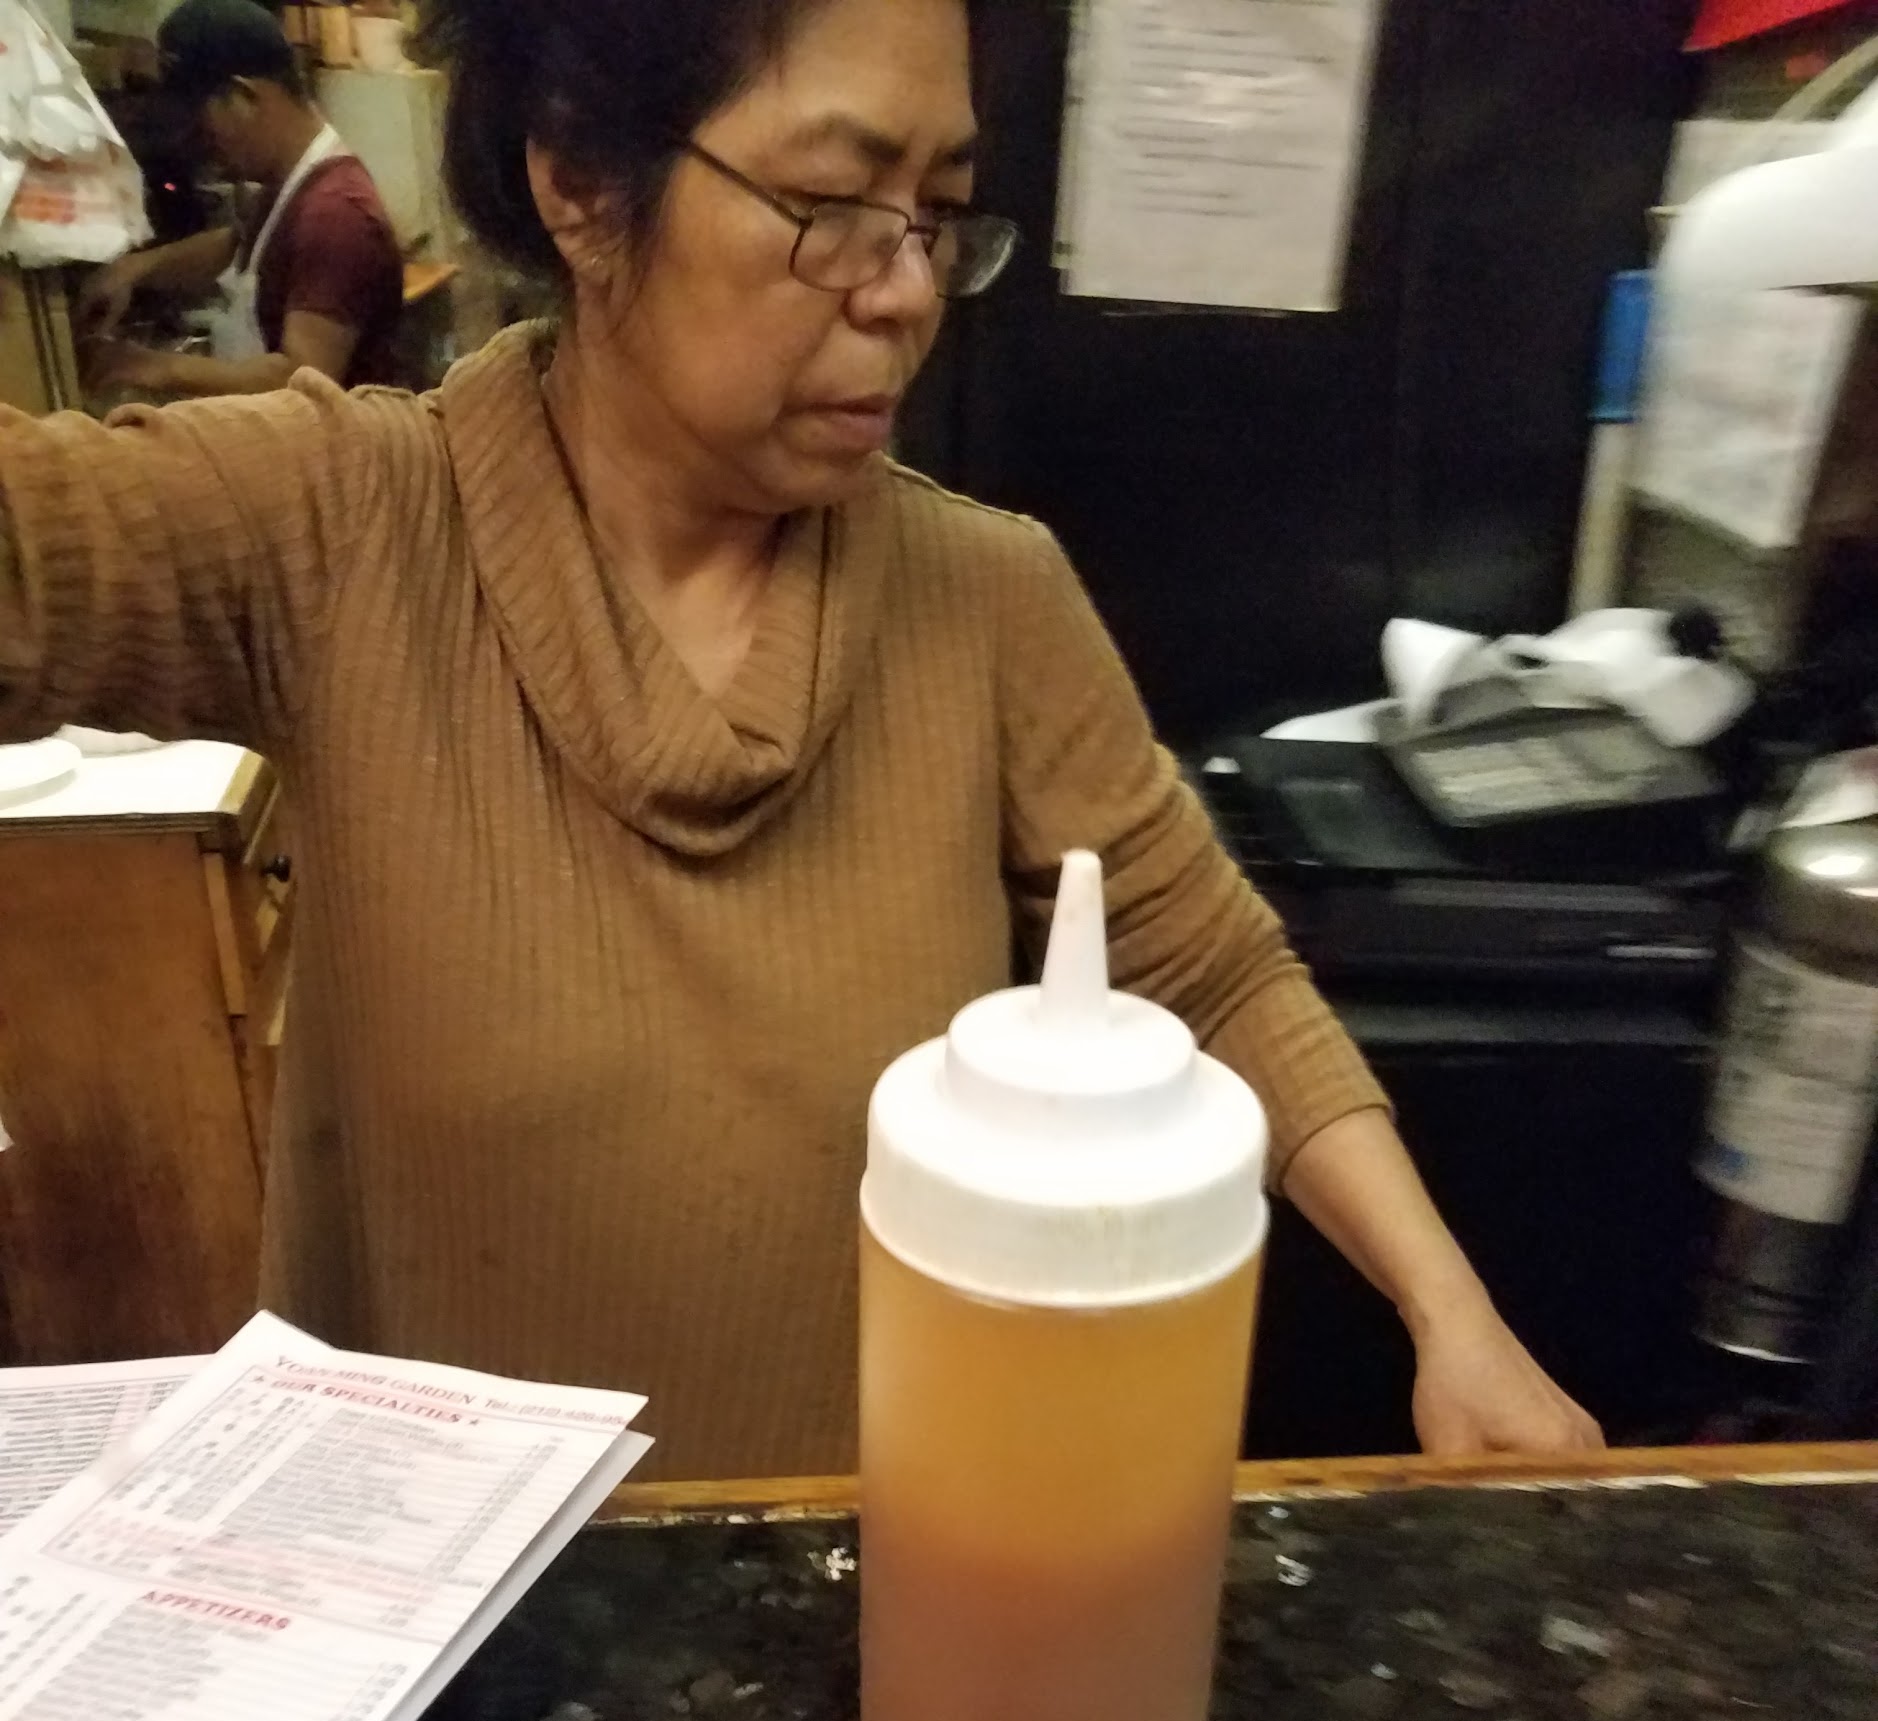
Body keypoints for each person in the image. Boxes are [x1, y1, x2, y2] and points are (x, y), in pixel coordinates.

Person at [0, 0, 1602, 1478]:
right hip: (454, 1615)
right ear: (582, 184)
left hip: (880, 1579)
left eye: (936, 212)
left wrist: (1449, 1317)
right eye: (831, 204)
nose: (903, 289)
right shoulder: (342, 528)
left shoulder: (986, 598)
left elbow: (1212, 970)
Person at [78, 0, 403, 394]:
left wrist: (157, 367)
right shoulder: (289, 185)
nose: (200, 144)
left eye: (201, 123)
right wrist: (135, 269)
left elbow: (303, 380)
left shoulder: (335, 214)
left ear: (243, 96)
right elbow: (238, 245)